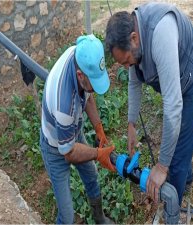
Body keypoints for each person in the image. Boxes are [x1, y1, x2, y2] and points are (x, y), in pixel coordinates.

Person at [105, 2, 193, 206]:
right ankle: (187, 177)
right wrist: (131, 124)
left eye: (127, 60)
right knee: (179, 140)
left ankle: (172, 209)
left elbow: (173, 108)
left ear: (134, 39)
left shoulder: (161, 33)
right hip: (178, 75)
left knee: (176, 158)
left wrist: (162, 167)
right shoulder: (133, 38)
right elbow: (134, 80)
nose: (127, 66)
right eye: (123, 63)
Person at [40, 34, 115, 224]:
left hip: (73, 132)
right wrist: (99, 153)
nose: (94, 89)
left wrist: (98, 127)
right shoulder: (64, 104)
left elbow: (88, 95)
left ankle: (99, 218)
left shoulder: (81, 56)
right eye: (93, 83)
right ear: (80, 76)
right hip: (56, 148)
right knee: (67, 216)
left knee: (91, 177)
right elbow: (69, 152)